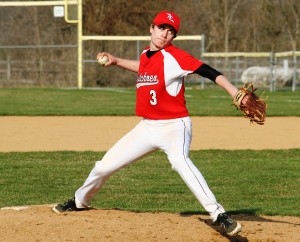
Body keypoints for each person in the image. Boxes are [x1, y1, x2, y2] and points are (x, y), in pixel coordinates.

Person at [53, 11, 242, 236]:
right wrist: (116, 61)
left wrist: (233, 91)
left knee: (181, 162)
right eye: (162, 28)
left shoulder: (175, 57)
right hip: (147, 127)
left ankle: (218, 214)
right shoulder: (146, 55)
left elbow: (208, 71)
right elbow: (143, 66)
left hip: (174, 126)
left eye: (171, 31)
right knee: (104, 166)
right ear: (152, 28)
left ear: (174, 37)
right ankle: (80, 200)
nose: (165, 34)